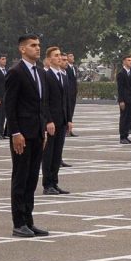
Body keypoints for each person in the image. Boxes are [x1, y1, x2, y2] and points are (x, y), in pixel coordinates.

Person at [4, 34, 50, 239]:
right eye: (33, 45)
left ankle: (29, 220)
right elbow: (10, 105)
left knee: (32, 178)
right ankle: (19, 222)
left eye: (38, 45)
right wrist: (15, 132)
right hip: (22, 133)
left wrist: (43, 129)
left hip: (37, 132)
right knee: (20, 178)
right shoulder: (15, 72)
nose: (37, 48)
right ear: (22, 49)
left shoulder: (40, 72)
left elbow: (42, 104)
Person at [40, 46, 75, 193]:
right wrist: (48, 121)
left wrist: (69, 119)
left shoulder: (63, 75)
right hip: (51, 121)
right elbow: (44, 101)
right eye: (56, 55)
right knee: (48, 154)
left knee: (57, 153)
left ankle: (54, 182)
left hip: (62, 120)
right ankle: (47, 184)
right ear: (49, 59)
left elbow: (66, 100)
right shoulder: (46, 76)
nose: (59, 58)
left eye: (60, 55)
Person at [117, 54, 131, 142]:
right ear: (124, 61)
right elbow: (120, 88)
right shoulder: (121, 73)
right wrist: (121, 100)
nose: (130, 62)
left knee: (129, 118)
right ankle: (122, 137)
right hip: (125, 100)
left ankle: (126, 136)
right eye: (128, 60)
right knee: (124, 118)